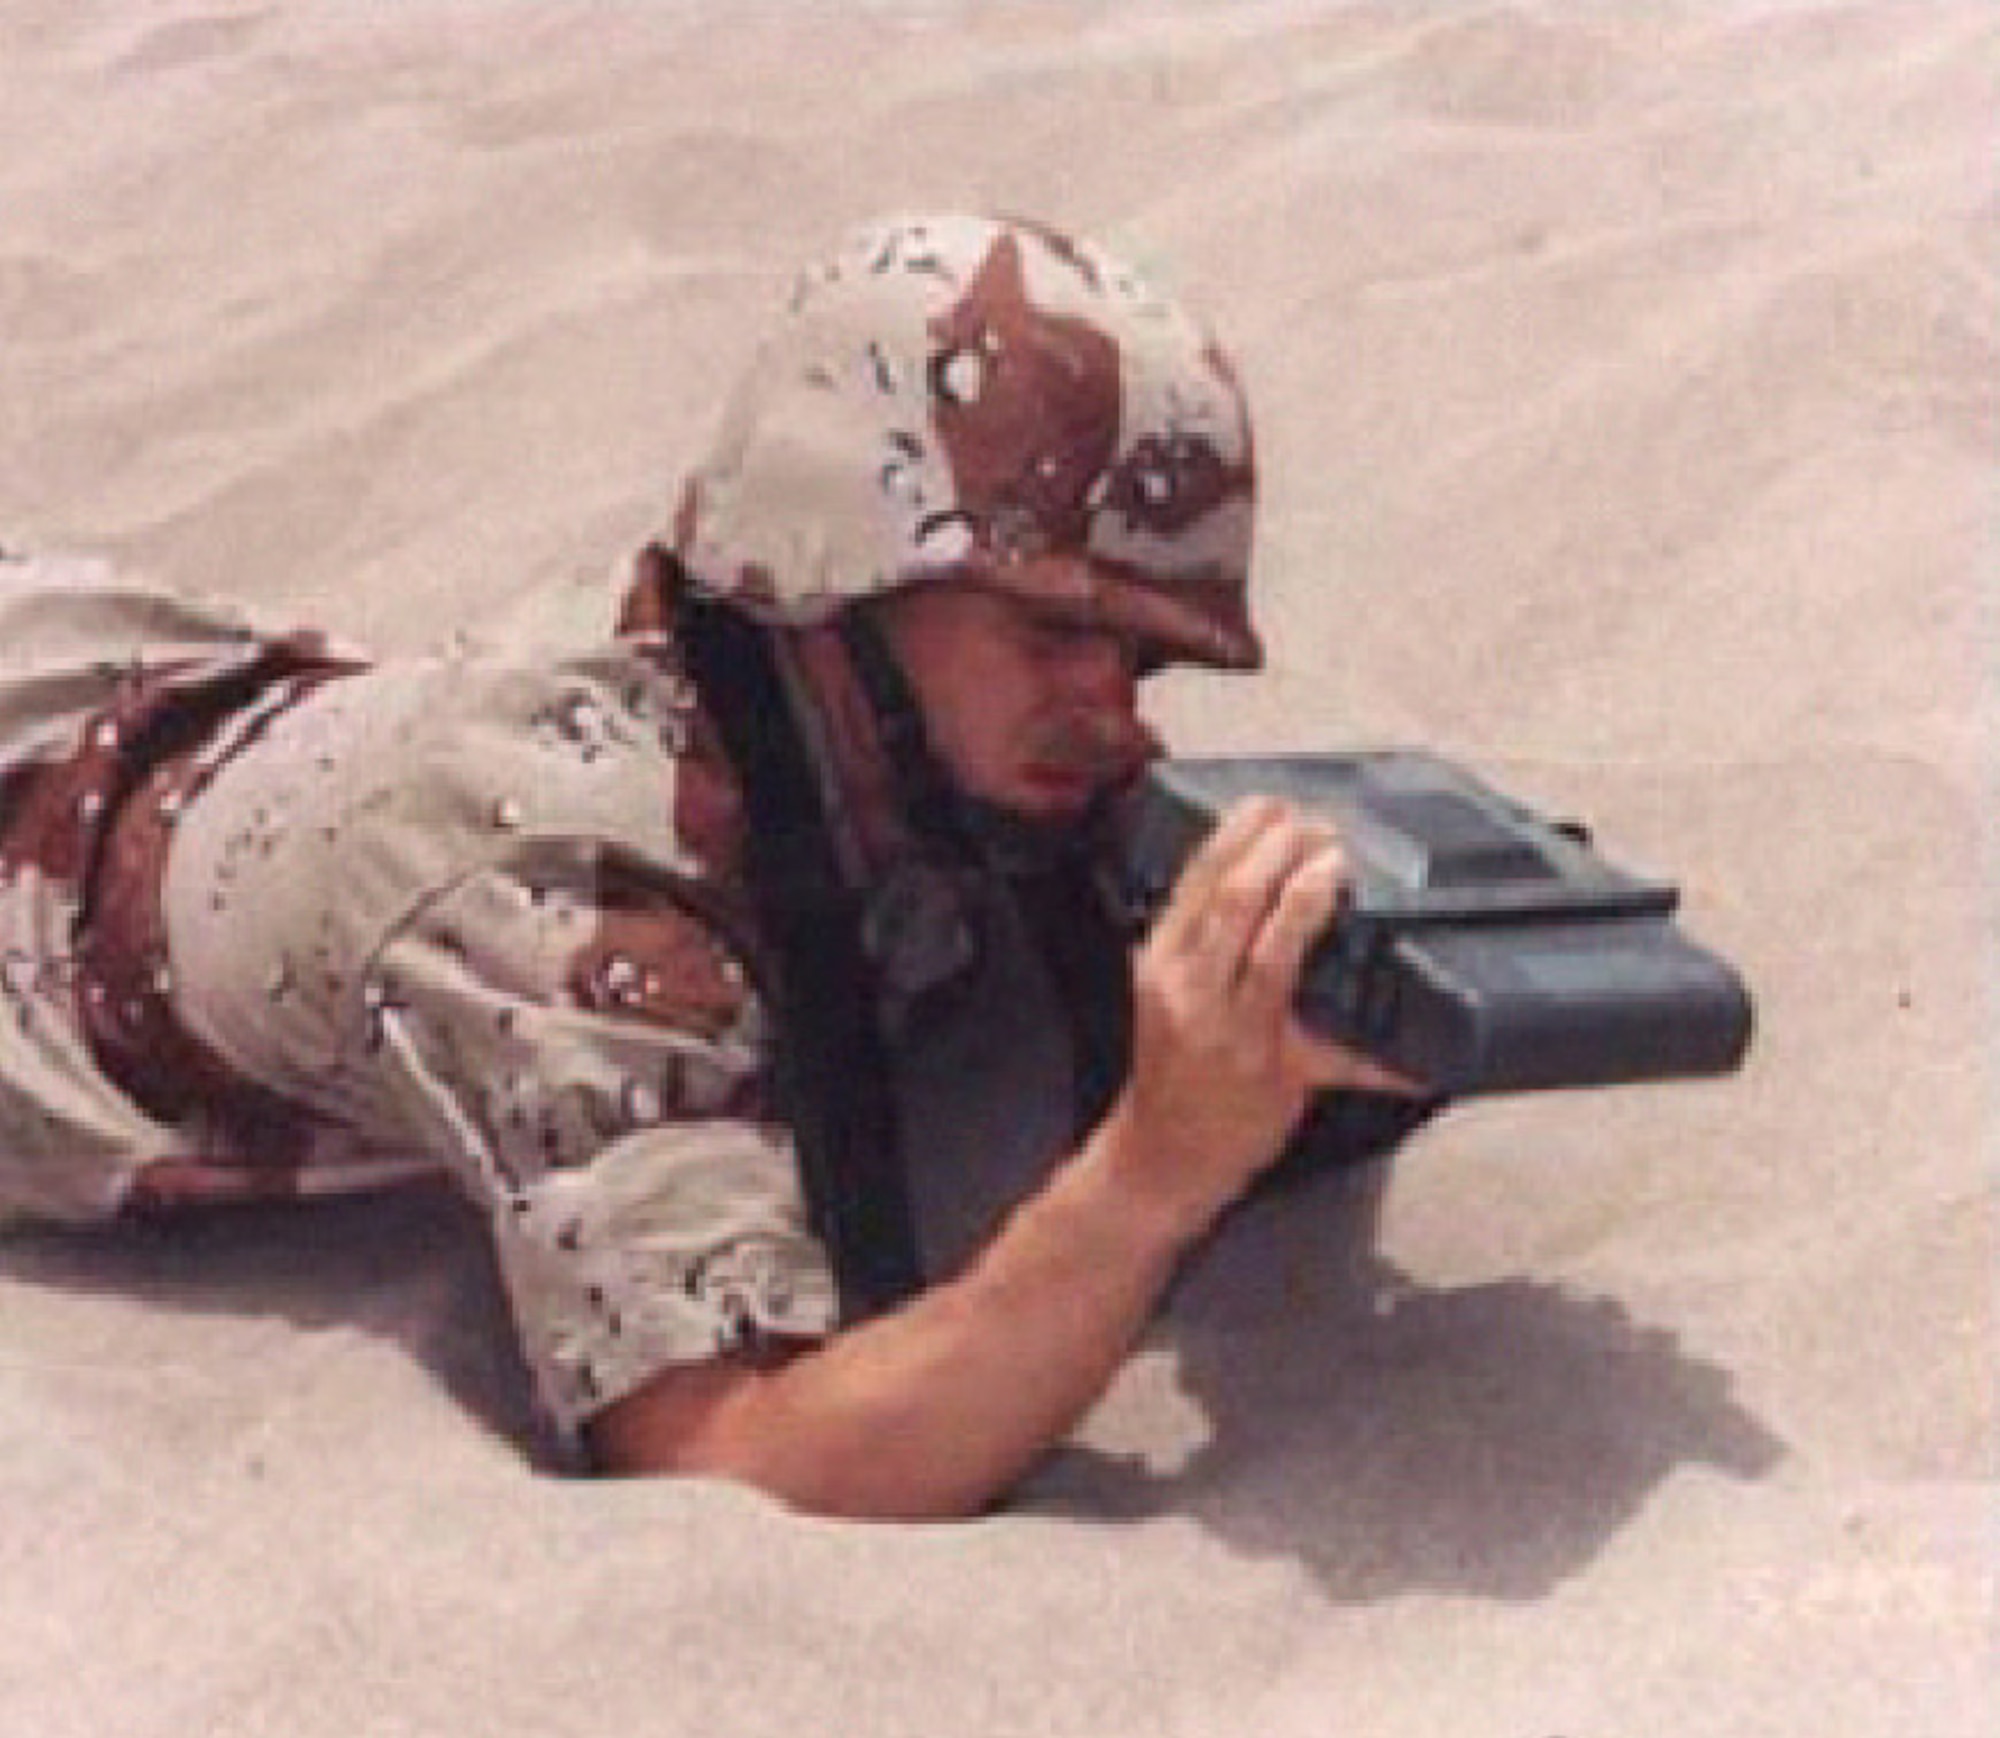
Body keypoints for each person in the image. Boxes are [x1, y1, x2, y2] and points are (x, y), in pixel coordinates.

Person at [0, 214, 1423, 1520]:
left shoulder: (820, 690)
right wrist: (1151, 1175)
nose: (1115, 715)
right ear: (832, 574)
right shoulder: (569, 910)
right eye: (1050, 636)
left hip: (150, 686)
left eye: (1145, 655)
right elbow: (734, 1457)